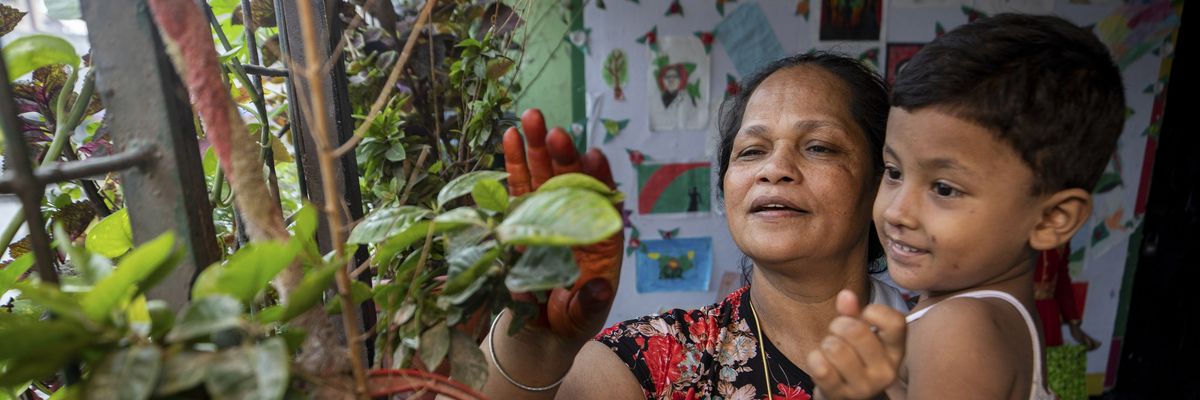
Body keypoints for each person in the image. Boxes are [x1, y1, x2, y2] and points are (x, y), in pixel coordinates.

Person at [483, 51, 909, 400]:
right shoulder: (660, 360)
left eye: (819, 146)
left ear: (882, 180)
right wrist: (533, 347)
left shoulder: (947, 336)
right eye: (750, 151)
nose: (774, 168)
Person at [855, 13, 1124, 399]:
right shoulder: (997, 317)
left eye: (944, 189)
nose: (897, 211)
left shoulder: (957, 330)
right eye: (894, 171)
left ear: (1051, 219)